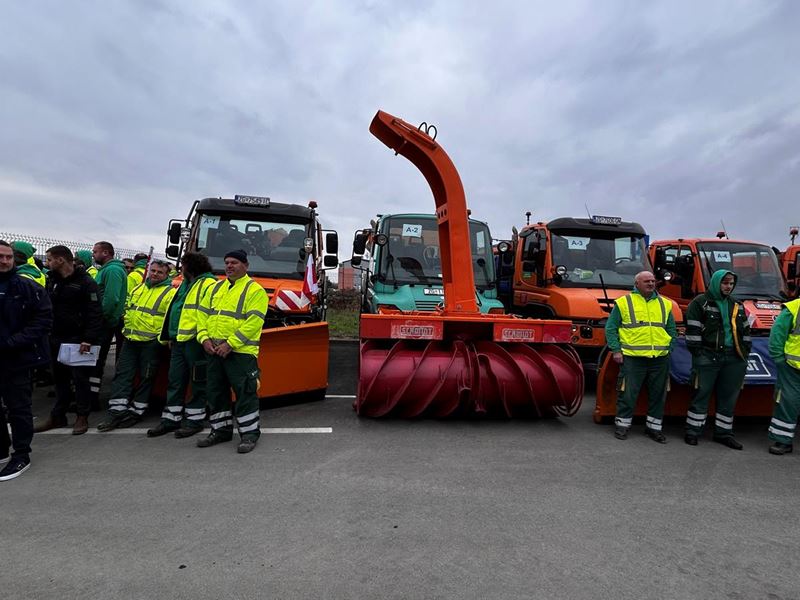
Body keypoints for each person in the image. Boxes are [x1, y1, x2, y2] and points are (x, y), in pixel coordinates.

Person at [195, 249, 267, 454]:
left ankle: (250, 435)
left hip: (241, 353)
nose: (229, 266)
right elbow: (202, 315)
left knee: (245, 393)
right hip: (214, 350)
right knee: (216, 392)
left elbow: (254, 322)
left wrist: (231, 344)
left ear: (246, 266)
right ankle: (220, 431)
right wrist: (204, 338)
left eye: (234, 262)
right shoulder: (216, 288)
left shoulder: (255, 290)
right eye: (227, 262)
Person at [97, 261, 175, 431]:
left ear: (166, 275)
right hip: (130, 340)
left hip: (151, 343)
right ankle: (116, 412)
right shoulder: (139, 288)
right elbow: (127, 307)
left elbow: (170, 319)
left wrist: (160, 340)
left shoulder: (170, 293)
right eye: (152, 271)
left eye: (159, 272)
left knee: (146, 378)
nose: (154, 274)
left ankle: (136, 412)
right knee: (122, 375)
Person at [147, 252, 218, 438]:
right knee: (175, 380)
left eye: (183, 265)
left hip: (195, 342)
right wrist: (171, 335)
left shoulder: (208, 284)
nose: (180, 269)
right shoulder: (186, 283)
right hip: (179, 341)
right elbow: (176, 309)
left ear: (191, 267)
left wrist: (204, 338)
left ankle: (194, 421)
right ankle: (170, 419)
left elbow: (208, 313)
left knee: (198, 383)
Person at [34, 246, 104, 435]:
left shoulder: (86, 283)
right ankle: (58, 416)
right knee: (60, 380)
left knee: (80, 380)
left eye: (49, 260)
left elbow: (95, 313)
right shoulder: (53, 280)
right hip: (56, 338)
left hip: (78, 340)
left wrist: (88, 338)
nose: (47, 263)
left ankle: (82, 416)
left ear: (61, 260)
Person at [0, 240, 53, 481]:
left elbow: (43, 320)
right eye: (1, 257)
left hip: (17, 358)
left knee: (18, 407)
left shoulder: (26, 287)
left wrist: (12, 343)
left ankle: (21, 454)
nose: (5, 261)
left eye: (8, 257)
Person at [605, 270, 678, 443]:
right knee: (628, 394)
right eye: (647, 281)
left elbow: (672, 329)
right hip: (633, 358)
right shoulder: (624, 302)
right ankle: (622, 426)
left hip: (659, 358)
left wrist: (669, 348)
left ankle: (654, 429)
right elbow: (611, 328)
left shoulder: (665, 304)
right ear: (637, 284)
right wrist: (616, 350)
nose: (651, 284)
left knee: (658, 395)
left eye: (653, 281)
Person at [683, 270, 751, 449]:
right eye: (725, 283)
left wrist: (744, 353)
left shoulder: (737, 304)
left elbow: (745, 331)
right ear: (716, 283)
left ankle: (723, 434)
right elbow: (692, 331)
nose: (728, 286)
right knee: (701, 393)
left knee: (729, 397)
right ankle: (693, 431)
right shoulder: (699, 303)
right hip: (707, 356)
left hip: (734, 358)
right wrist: (698, 354)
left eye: (731, 283)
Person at [91, 241, 128, 403]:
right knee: (96, 360)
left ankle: (92, 398)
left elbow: (111, 298)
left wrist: (101, 318)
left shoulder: (112, 270)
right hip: (105, 321)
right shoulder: (108, 270)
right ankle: (91, 395)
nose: (93, 254)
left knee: (97, 360)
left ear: (105, 253)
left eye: (95, 252)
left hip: (106, 322)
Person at [766, 297, 800, 455]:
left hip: (792, 365)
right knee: (789, 400)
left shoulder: (793, 308)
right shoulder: (794, 308)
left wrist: (779, 358)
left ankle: (783, 440)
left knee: (787, 400)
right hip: (792, 366)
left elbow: (777, 334)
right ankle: (783, 439)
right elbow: (777, 335)